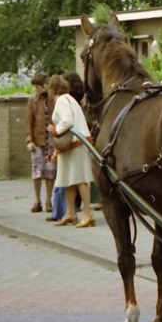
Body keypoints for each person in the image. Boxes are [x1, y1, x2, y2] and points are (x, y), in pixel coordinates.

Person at [46, 74, 95, 228]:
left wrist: (54, 130)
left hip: (75, 144)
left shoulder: (62, 100)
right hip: (71, 145)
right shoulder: (68, 99)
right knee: (67, 179)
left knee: (80, 178)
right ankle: (70, 213)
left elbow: (67, 121)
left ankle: (87, 214)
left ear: (53, 88)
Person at [25, 72, 56, 214]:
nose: (36, 90)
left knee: (50, 172)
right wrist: (29, 140)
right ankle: (37, 200)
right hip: (38, 141)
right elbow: (29, 121)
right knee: (36, 172)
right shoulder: (33, 100)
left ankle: (49, 200)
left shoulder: (52, 100)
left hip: (51, 141)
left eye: (38, 87)